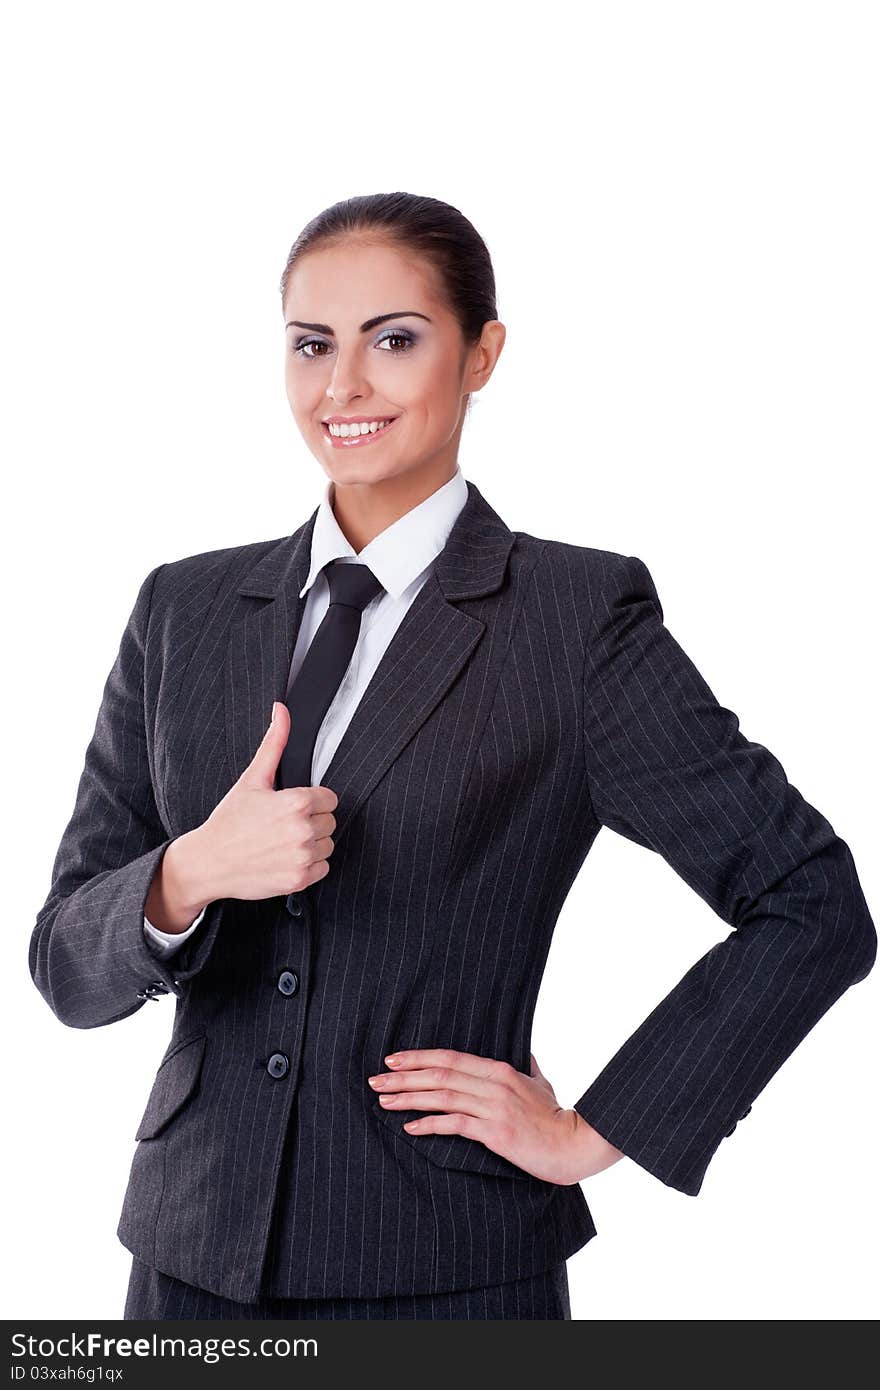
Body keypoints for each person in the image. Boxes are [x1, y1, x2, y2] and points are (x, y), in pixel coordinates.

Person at [30, 192, 876, 1322]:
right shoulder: (184, 608)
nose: (343, 387)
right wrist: (187, 874)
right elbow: (64, 965)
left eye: (394, 339)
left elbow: (809, 900)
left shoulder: (572, 620)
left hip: (446, 1266)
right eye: (311, 345)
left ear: (481, 353)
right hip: (188, 1263)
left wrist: (596, 1128)